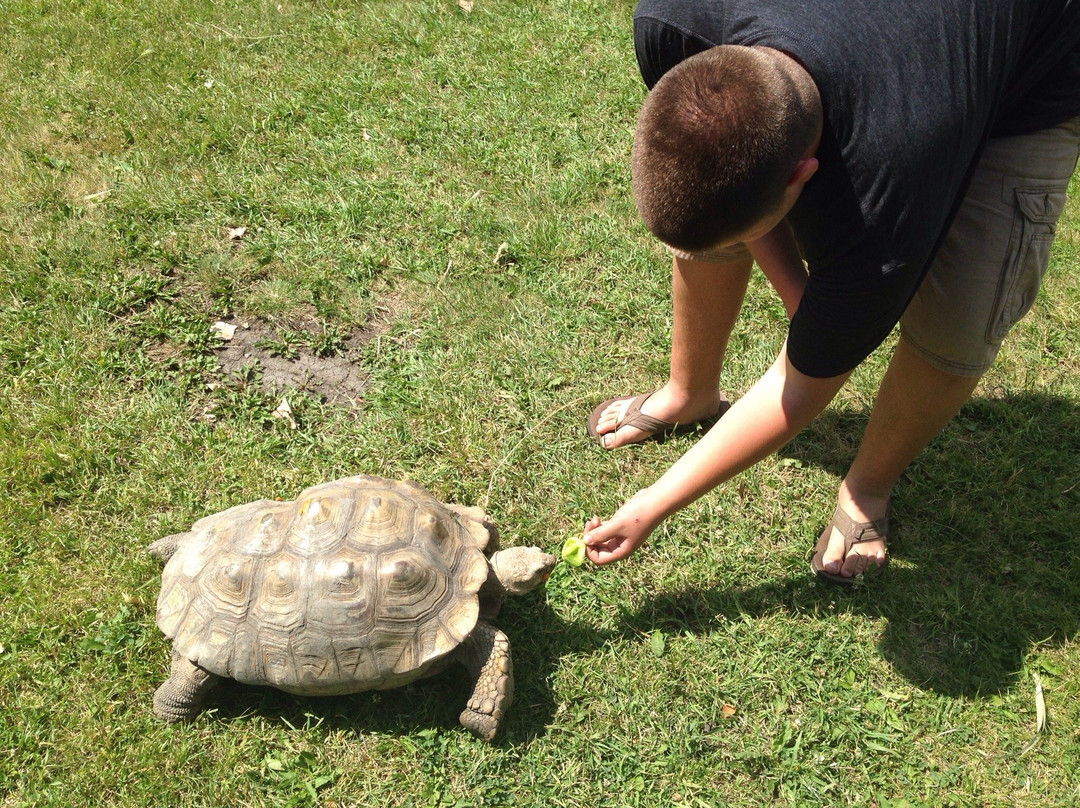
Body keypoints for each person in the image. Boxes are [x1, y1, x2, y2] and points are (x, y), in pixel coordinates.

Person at [582, 0, 1080, 583]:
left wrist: (655, 503)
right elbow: (741, 198)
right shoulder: (675, 25)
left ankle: (867, 487)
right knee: (716, 199)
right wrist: (810, 308)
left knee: (961, 314)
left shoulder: (884, 202)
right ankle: (689, 392)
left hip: (1032, 64)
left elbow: (798, 391)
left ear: (805, 175)